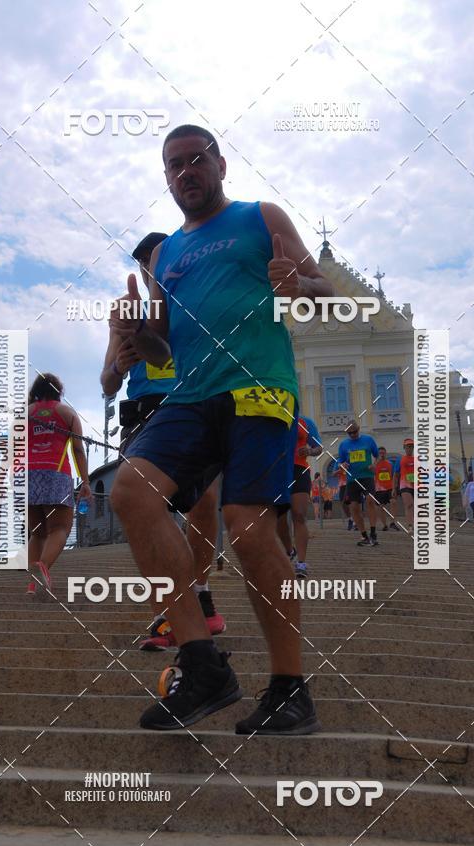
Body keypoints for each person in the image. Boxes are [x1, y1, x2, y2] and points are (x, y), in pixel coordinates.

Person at [110, 123, 334, 734]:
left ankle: (289, 688)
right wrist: (136, 332)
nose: (186, 172)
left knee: (248, 525)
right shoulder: (166, 254)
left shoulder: (260, 216)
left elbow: (324, 292)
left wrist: (299, 286)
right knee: (131, 491)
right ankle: (202, 664)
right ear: (166, 178)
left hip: (258, 387)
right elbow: (161, 347)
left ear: (220, 164)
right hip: (190, 394)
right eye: (174, 165)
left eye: (196, 159)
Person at [100, 231, 225, 648]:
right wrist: (118, 366)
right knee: (147, 506)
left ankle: (201, 594)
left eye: (155, 259)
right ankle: (166, 612)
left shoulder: (196, 299)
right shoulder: (126, 310)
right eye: (142, 262)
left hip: (195, 403)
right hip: (145, 412)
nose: (149, 268)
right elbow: (106, 383)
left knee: (205, 501)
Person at [27, 373, 91, 596]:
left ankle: (32, 584)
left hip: (28, 475)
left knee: (37, 533)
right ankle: (43, 567)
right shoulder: (67, 413)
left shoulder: (25, 413)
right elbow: (78, 450)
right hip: (56, 473)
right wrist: (85, 481)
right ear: (58, 391)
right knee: (60, 528)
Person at [277, 414, 323, 578]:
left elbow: (318, 447)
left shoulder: (305, 421)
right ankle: (290, 550)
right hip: (278, 471)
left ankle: (301, 563)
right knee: (279, 517)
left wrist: (309, 451)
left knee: (299, 515)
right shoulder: (272, 416)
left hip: (299, 470)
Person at [337, 420, 379, 546]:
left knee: (370, 500)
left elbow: (377, 456)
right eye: (349, 433)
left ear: (359, 429)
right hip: (352, 479)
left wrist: (374, 465)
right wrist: (342, 465)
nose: (352, 435)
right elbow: (340, 462)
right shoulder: (343, 445)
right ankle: (364, 535)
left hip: (367, 476)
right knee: (354, 507)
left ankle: (373, 532)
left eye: (354, 432)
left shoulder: (368, 440)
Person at [371, 446, 399, 531]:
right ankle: (384, 525)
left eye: (383, 453)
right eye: (380, 453)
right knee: (381, 507)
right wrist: (377, 462)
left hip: (390, 487)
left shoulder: (390, 463)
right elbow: (371, 472)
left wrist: (394, 487)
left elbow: (394, 475)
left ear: (386, 454)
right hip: (379, 489)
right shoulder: (374, 464)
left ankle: (392, 523)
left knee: (393, 502)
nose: (382, 455)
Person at [393, 438, 415, 534]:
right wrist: (394, 488)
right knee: (409, 505)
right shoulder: (400, 460)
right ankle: (410, 526)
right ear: (404, 448)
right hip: (404, 485)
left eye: (411, 446)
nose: (409, 448)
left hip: (416, 485)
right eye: (408, 446)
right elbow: (395, 475)